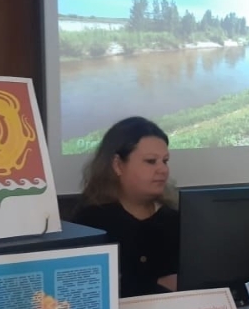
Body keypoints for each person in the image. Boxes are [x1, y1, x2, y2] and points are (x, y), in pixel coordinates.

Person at [73, 116, 179, 298]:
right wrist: (155, 285)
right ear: (118, 165)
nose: (163, 170)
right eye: (151, 161)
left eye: (165, 161)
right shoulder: (90, 224)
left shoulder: (176, 219)